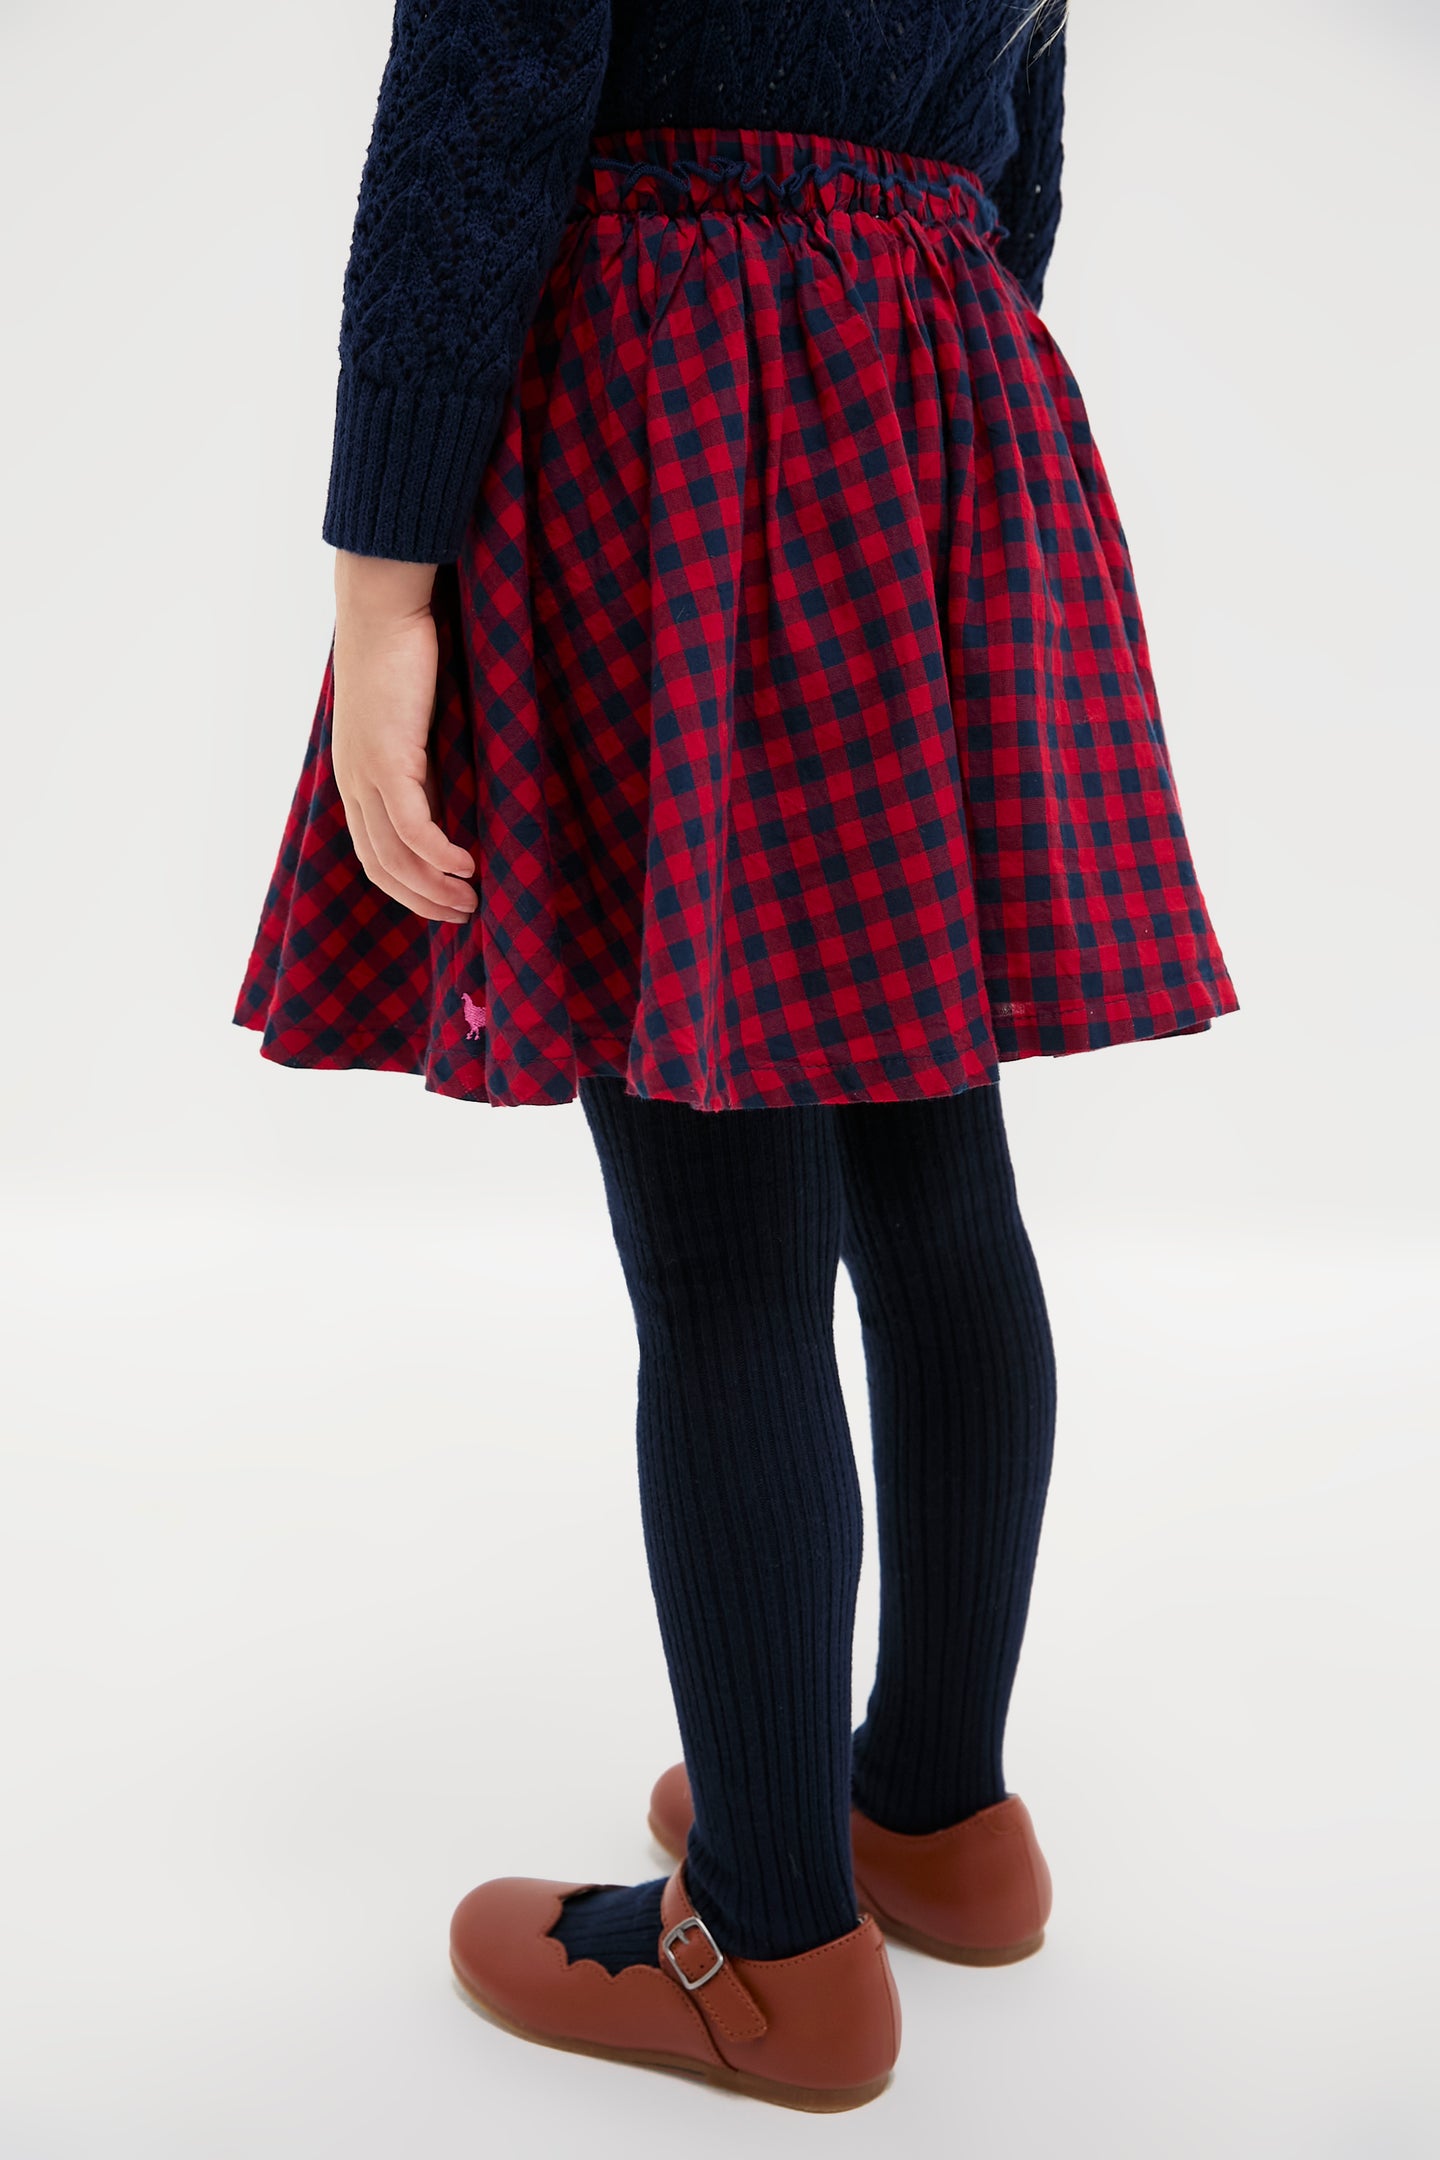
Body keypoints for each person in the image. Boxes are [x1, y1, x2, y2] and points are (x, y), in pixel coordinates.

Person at [234, 0, 1239, 2112]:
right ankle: (935, 1818)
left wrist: (382, 566)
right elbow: (1020, 122)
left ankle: (767, 1945)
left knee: (724, 1248)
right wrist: (909, 359)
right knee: (932, 1168)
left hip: (664, 381)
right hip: (936, 370)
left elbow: (487, 109)